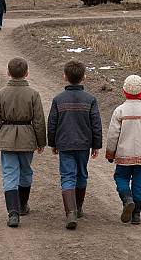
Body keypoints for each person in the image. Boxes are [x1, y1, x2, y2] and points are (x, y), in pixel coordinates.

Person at [0, 57, 47, 228]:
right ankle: (22, 205)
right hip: (27, 138)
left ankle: (13, 212)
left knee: (9, 173)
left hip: (6, 137)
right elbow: (38, 121)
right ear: (27, 74)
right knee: (26, 171)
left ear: (8, 73)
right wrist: (41, 141)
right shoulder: (34, 94)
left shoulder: (1, 94)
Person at [47, 60, 102, 230]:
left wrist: (53, 143)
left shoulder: (58, 100)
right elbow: (96, 124)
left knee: (67, 176)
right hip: (83, 144)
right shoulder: (90, 99)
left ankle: (70, 212)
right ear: (84, 77)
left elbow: (52, 123)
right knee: (82, 174)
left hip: (64, 144)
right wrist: (96, 145)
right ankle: (78, 208)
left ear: (65, 77)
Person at [105, 74, 141, 225]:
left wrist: (110, 153)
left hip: (123, 155)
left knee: (121, 178)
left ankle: (127, 199)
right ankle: (136, 214)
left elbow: (113, 134)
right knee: (139, 183)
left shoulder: (120, 111)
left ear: (124, 91)